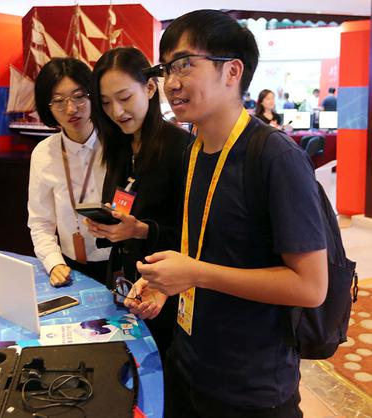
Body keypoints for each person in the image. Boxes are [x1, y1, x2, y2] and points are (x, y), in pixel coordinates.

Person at [125, 9, 328, 418]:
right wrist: (169, 283)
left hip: (251, 388)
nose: (171, 83)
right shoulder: (194, 148)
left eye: (185, 64)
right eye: (166, 69)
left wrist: (195, 273)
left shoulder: (274, 156)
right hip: (189, 365)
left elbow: (310, 287)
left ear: (232, 71)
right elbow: (211, 249)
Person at [86, 47, 191, 359]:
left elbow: (195, 236)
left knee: (156, 368)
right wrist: (109, 225)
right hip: (121, 278)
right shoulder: (119, 145)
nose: (117, 111)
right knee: (123, 361)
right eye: (106, 103)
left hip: (162, 290)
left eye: (124, 97)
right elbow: (123, 207)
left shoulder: (180, 148)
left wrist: (142, 230)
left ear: (149, 87)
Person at [27, 58, 110, 287]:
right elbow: (40, 221)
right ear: (48, 106)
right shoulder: (44, 154)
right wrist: (54, 262)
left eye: (78, 96)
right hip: (71, 268)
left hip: (121, 264)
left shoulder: (117, 145)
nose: (71, 109)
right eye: (58, 101)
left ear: (92, 94)